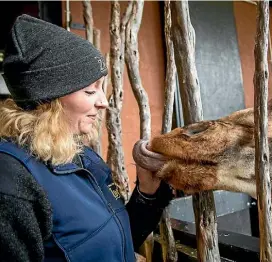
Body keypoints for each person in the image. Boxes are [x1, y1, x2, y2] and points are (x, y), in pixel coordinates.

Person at [0, 14, 172, 262]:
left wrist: (147, 192)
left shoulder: (81, 155)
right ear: (49, 99)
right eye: (90, 90)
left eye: (102, 88)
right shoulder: (11, 183)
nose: (103, 102)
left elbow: (115, 241)